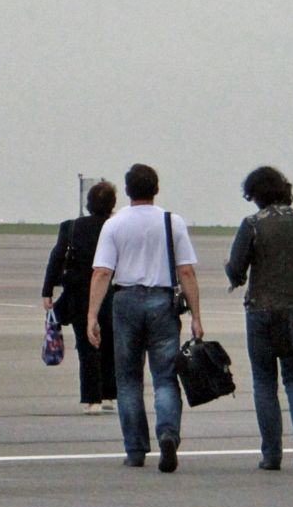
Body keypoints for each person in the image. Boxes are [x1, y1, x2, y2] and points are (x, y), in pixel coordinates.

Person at [84, 163, 204, 472]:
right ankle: (167, 433)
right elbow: (186, 271)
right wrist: (196, 316)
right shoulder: (172, 222)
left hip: (125, 301)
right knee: (165, 377)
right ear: (156, 189)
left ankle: (135, 449)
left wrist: (92, 315)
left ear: (127, 191)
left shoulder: (115, 225)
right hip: (162, 302)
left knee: (128, 381)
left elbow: (102, 273)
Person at [225, 166, 293, 472]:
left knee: (264, 383)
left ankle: (272, 454)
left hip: (261, 312)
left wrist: (228, 269)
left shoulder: (253, 225)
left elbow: (237, 271)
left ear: (255, 195)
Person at [43, 180, 119, 414]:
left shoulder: (71, 227)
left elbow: (56, 257)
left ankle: (91, 398)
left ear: (88, 204)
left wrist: (47, 290)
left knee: (86, 346)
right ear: (112, 205)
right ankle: (109, 395)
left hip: (78, 293)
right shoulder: (117, 226)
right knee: (110, 343)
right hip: (111, 291)